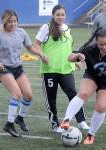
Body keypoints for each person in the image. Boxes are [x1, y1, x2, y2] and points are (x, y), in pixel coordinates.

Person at [60, 28, 106, 144]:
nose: (104, 47)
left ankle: (90, 135)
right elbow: (70, 58)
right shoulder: (90, 49)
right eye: (101, 44)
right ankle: (66, 120)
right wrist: (78, 56)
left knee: (101, 106)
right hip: (92, 76)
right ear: (96, 42)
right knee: (83, 93)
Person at [0, 9, 48, 137]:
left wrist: (40, 54)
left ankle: (19, 118)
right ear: (4, 22)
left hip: (18, 68)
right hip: (4, 68)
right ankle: (9, 124)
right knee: (17, 94)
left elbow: (30, 47)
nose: (13, 24)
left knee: (28, 95)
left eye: (15, 21)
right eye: (10, 21)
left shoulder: (21, 32)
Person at [33, 4, 89, 133]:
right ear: (53, 15)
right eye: (58, 14)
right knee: (51, 99)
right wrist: (42, 55)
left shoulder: (67, 29)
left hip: (66, 68)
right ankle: (55, 124)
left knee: (74, 95)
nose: (60, 17)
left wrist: (75, 61)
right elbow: (36, 45)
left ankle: (81, 121)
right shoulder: (46, 28)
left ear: (65, 15)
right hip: (50, 70)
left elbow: (68, 49)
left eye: (62, 14)